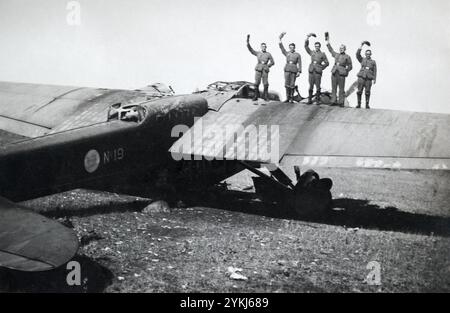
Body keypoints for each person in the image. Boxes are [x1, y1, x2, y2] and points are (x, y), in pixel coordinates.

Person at [325, 33, 353, 106]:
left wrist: (346, 71)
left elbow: (350, 66)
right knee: (333, 88)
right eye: (340, 48)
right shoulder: (336, 54)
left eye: (342, 48)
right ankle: (333, 101)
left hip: (341, 74)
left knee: (341, 88)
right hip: (334, 72)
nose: (341, 49)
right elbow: (331, 50)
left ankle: (341, 102)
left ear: (345, 49)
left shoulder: (347, 57)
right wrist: (327, 42)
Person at [247, 34, 275, 101]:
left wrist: (268, 66)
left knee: (265, 84)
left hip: (265, 70)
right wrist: (248, 42)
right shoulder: (258, 53)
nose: (263, 48)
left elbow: (273, 62)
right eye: (262, 47)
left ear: (266, 47)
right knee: (256, 83)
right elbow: (251, 50)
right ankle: (256, 96)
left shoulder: (268, 54)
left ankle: (265, 97)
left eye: (264, 47)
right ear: (261, 47)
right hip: (258, 69)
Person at [305, 33, 329, 104]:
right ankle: (310, 99)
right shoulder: (312, 52)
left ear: (320, 47)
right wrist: (307, 37)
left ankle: (318, 100)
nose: (316, 47)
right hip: (311, 70)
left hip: (318, 72)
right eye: (315, 46)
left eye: (318, 46)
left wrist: (321, 67)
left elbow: (327, 63)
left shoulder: (322, 54)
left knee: (318, 86)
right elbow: (306, 47)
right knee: (311, 85)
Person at [279, 32, 302, 103]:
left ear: (294, 48)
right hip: (287, 70)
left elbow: (300, 63)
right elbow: (282, 49)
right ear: (289, 48)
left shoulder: (297, 54)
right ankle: (287, 98)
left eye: (293, 47)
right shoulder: (287, 53)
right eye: (290, 47)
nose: (291, 48)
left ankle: (292, 98)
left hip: (294, 70)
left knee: (292, 84)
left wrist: (299, 71)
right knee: (286, 84)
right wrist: (280, 40)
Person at [356, 41, 377, 109]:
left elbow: (375, 71)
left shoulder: (373, 62)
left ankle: (367, 104)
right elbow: (357, 54)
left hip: (368, 78)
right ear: (365, 54)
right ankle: (358, 104)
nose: (368, 55)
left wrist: (374, 79)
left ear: (370, 54)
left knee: (367, 92)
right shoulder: (362, 59)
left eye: (369, 54)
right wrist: (361, 45)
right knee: (359, 91)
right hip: (361, 77)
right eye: (367, 54)